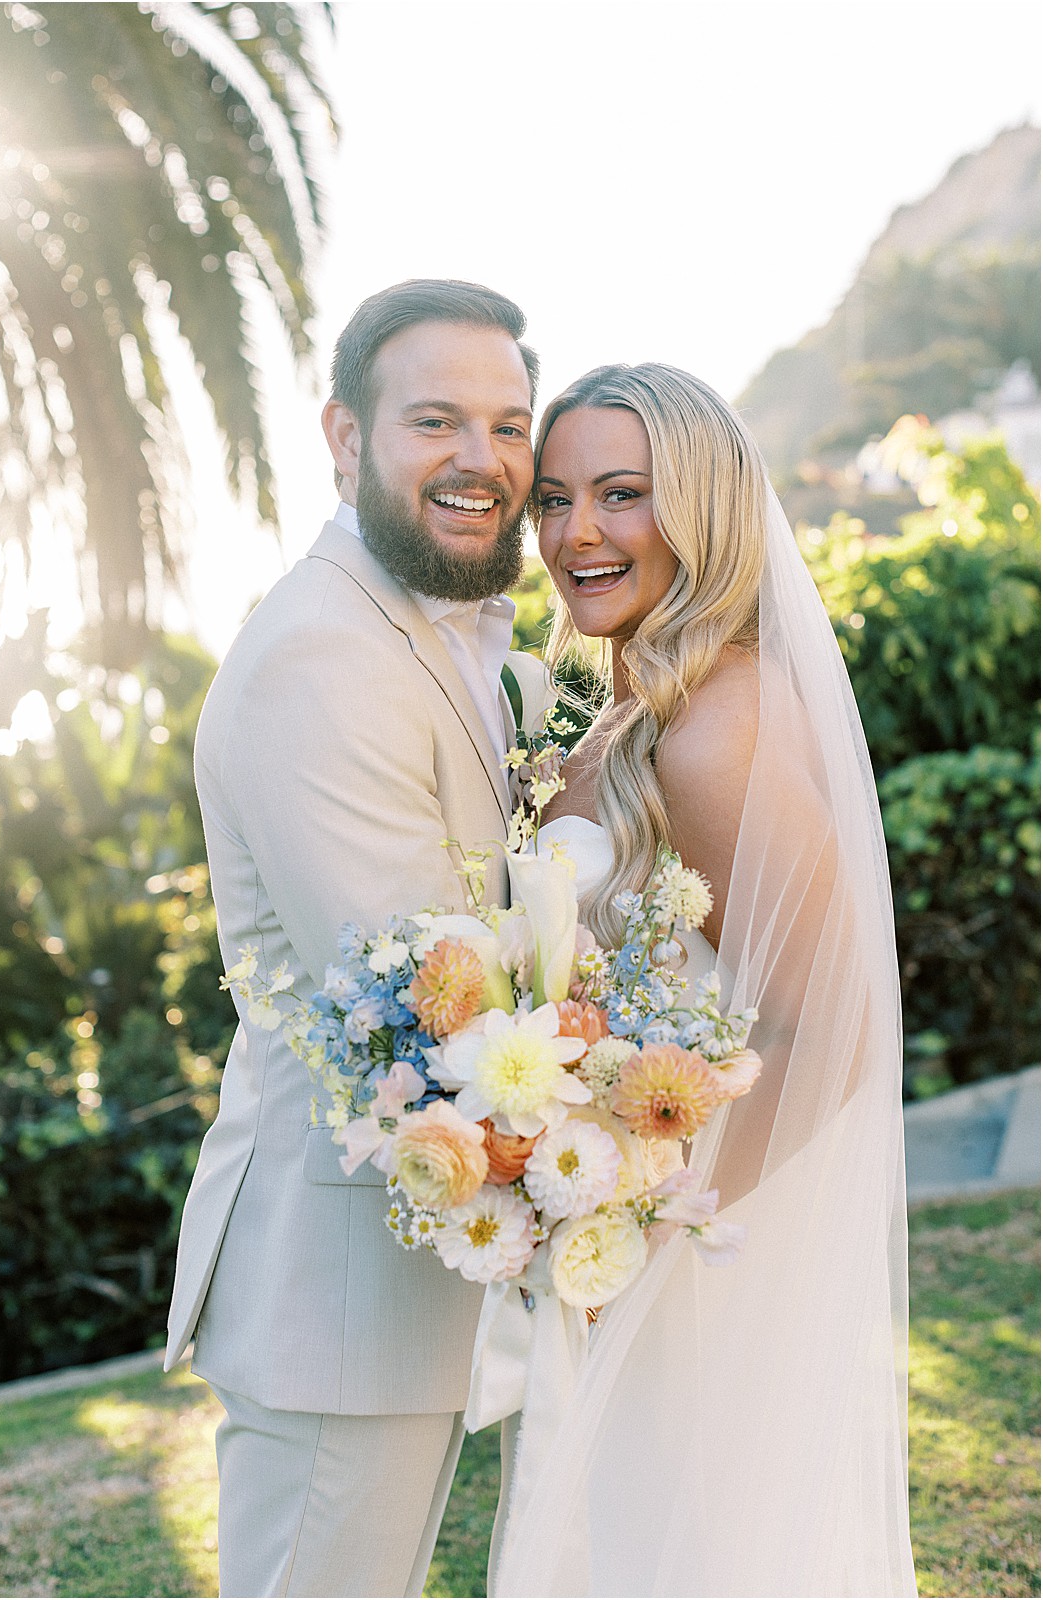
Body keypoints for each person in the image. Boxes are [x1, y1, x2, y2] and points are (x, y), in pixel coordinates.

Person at [489, 363, 917, 1596]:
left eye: (621, 494)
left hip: (703, 1250)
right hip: (639, 1231)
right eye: (555, 500)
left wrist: (649, 1232)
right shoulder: (627, 716)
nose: (576, 534)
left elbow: (827, 1029)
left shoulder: (714, 729)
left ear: (707, 511)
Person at [164, 279, 550, 1599]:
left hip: (408, 1279)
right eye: (434, 419)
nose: (480, 460)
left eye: (508, 425)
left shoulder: (465, 642)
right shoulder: (317, 658)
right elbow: (426, 987)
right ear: (343, 436)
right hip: (331, 1286)